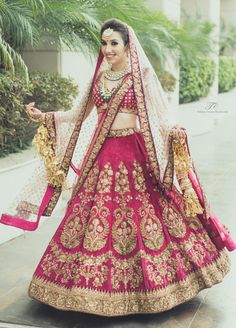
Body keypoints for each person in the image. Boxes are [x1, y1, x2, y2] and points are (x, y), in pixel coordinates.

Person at [1, 18, 236, 317]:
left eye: (114, 43)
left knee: (148, 219)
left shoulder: (142, 77)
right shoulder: (98, 79)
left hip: (135, 155)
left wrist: (175, 131)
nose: (108, 49)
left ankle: (153, 290)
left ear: (127, 45)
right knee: (93, 221)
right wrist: (44, 117)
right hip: (102, 158)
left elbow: (160, 117)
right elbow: (78, 115)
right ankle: (86, 291)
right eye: (104, 43)